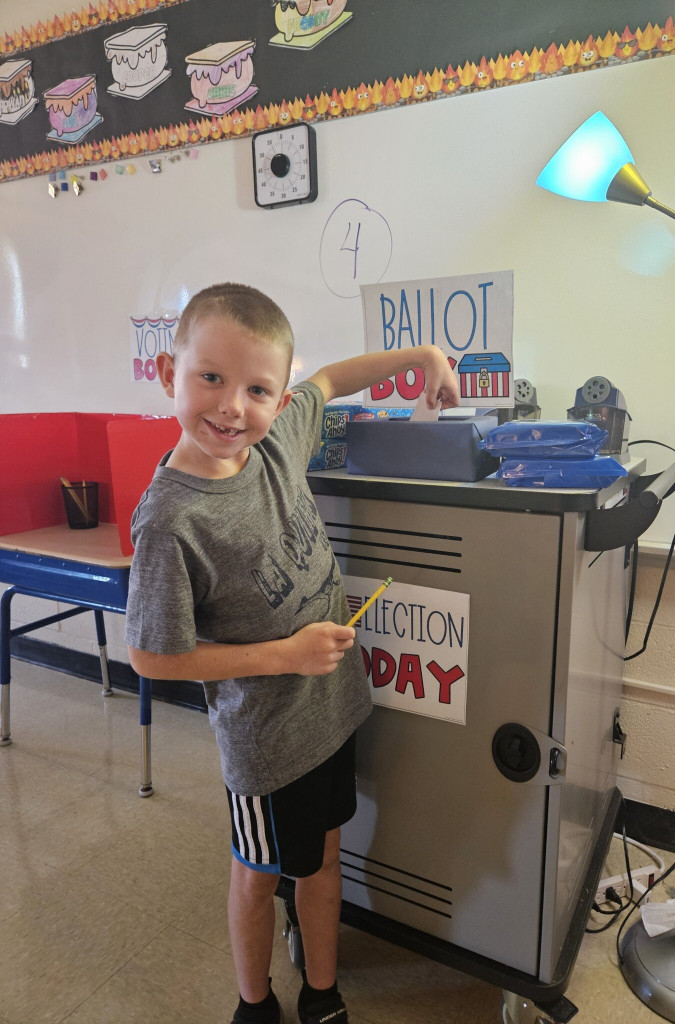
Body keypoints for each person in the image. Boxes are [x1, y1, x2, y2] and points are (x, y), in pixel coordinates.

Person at [125, 282, 460, 1024]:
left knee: (323, 857)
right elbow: (153, 658)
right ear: (168, 374)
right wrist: (286, 655)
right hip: (267, 744)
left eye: (256, 389)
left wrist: (425, 354)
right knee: (258, 873)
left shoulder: (275, 443)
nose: (231, 407)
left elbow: (332, 379)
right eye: (211, 378)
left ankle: (322, 989)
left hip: (331, 712)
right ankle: (255, 1004)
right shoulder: (171, 519)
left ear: (278, 400)